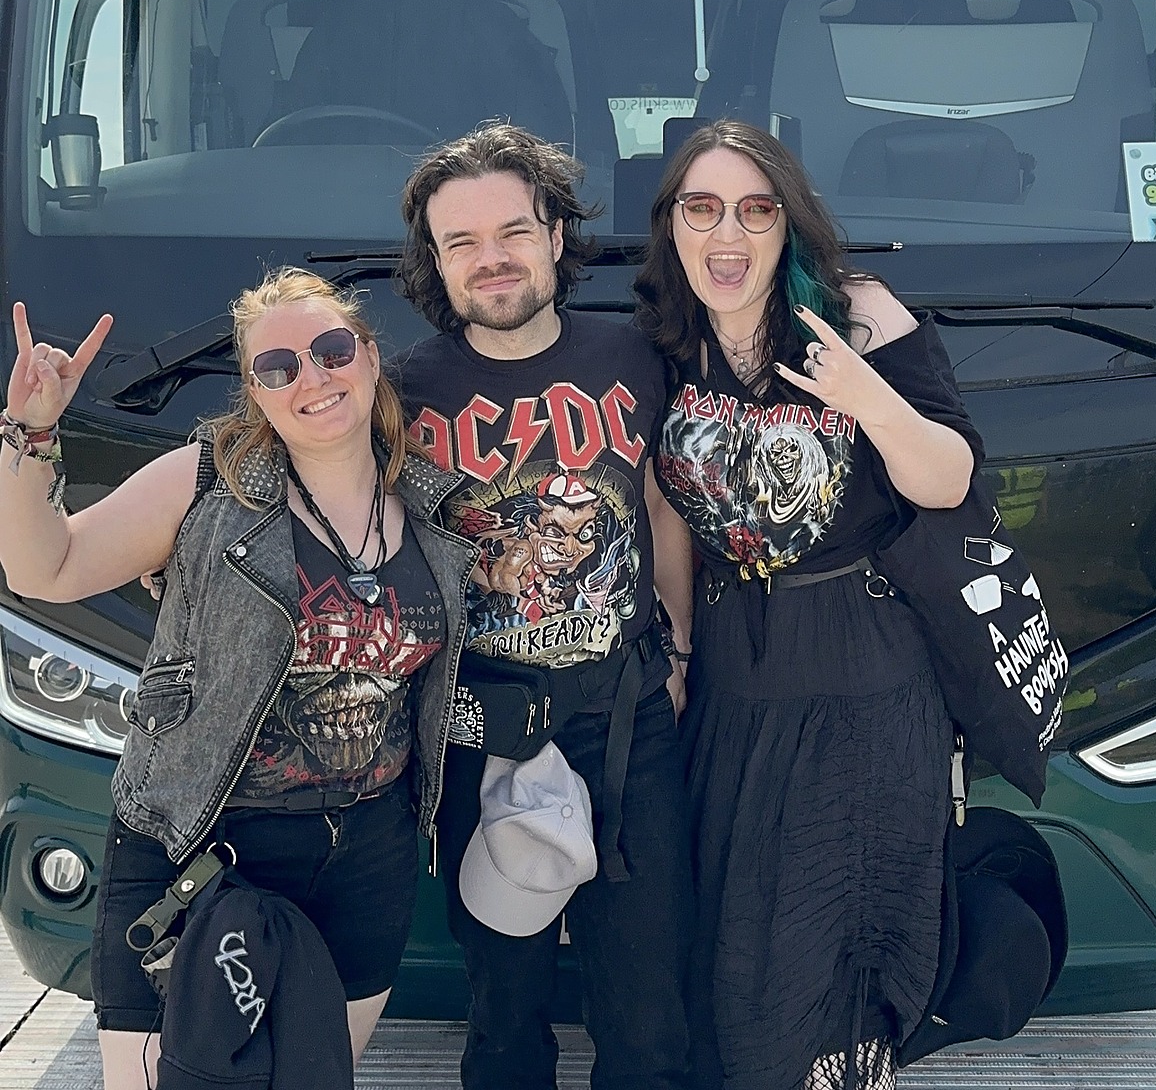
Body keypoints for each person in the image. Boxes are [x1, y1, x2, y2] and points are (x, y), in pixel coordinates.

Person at [0, 269, 477, 1088]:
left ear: (368, 355)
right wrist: (29, 432)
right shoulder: (203, 485)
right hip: (198, 845)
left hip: (365, 858)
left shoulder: (431, 506)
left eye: (331, 350)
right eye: (278, 368)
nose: (313, 379)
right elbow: (46, 566)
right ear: (255, 393)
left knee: (313, 1076)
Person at [632, 120, 985, 1090]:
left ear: (789, 224)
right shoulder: (667, 338)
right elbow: (666, 509)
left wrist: (868, 395)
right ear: (674, 227)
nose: (728, 234)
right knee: (736, 932)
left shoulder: (857, 313)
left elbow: (949, 478)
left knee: (838, 931)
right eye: (702, 209)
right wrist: (676, 653)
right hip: (734, 679)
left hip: (865, 675)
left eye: (756, 209)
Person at [396, 122, 693, 1090]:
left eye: (513, 231)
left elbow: (659, 504)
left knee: (648, 1010)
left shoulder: (634, 359)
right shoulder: (400, 394)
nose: (492, 259)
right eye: (461, 242)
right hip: (483, 729)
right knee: (504, 1007)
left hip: (630, 717)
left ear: (556, 235)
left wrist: (682, 648)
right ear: (435, 264)